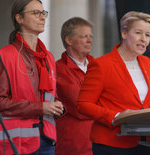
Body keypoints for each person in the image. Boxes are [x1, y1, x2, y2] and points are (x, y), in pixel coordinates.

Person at [0, 0, 64, 154]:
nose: (42, 17)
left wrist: (57, 106)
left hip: (48, 138)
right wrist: (40, 107)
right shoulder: (5, 56)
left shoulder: (48, 57)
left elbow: (49, 97)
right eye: (36, 13)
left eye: (43, 13)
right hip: (18, 143)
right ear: (19, 18)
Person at [76, 11, 150, 155]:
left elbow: (143, 102)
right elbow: (83, 104)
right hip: (112, 143)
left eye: (147, 35)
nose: (143, 39)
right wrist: (116, 117)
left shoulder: (147, 63)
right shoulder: (101, 65)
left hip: (142, 141)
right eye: (138, 33)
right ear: (124, 33)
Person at [55, 17, 94, 155]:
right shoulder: (58, 69)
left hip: (100, 142)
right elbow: (81, 107)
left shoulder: (99, 65)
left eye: (91, 36)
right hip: (74, 145)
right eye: (84, 36)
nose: (90, 40)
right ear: (69, 40)